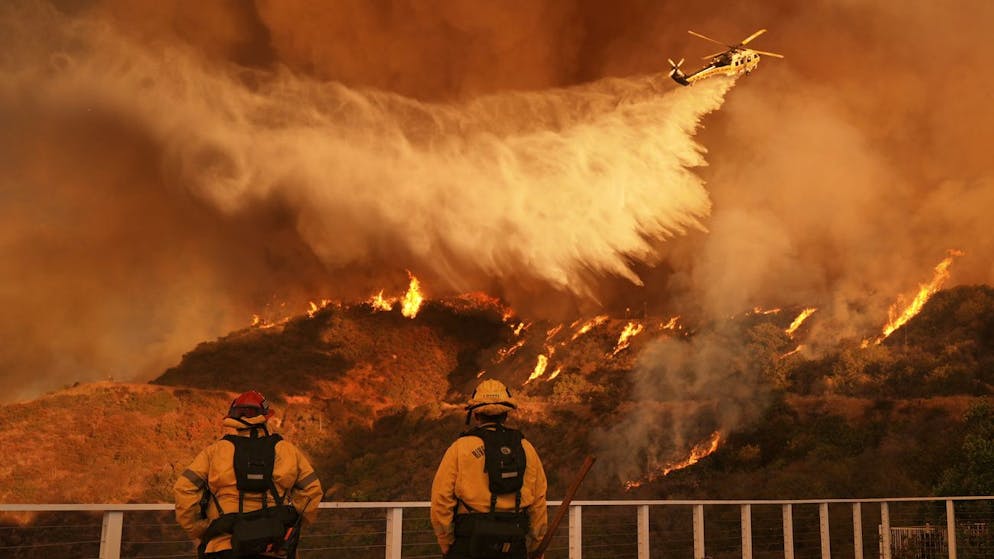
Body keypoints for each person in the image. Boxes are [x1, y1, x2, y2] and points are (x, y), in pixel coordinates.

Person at [174, 390, 323, 558]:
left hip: (222, 545)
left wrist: (198, 529)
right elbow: (311, 491)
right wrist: (291, 523)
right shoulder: (287, 450)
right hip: (273, 545)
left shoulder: (215, 452)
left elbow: (184, 488)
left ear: (233, 417)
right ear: (266, 416)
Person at [431, 379, 548, 559]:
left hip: (469, 542)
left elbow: (441, 500)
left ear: (476, 414)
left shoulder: (460, 448)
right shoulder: (525, 447)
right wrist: (535, 544)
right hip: (513, 543)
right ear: (505, 415)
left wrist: (446, 542)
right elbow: (538, 501)